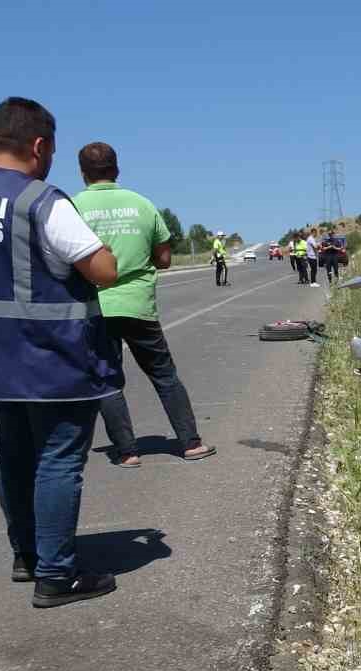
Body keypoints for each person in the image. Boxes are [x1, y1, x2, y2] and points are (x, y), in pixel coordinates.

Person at [0, 97, 122, 607]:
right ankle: (57, 574)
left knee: (15, 457)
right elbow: (101, 269)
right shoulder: (41, 201)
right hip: (53, 357)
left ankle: (27, 555)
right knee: (60, 461)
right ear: (40, 146)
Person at [71, 142, 216, 468]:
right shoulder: (141, 204)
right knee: (164, 375)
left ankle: (127, 451)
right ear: (117, 169)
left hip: (96, 307)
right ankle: (190, 443)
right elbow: (164, 259)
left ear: (83, 173)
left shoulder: (73, 207)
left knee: (107, 379)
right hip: (138, 304)